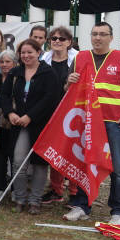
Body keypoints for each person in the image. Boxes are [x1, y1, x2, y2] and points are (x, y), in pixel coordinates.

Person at [64, 22, 120, 225]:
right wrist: (68, 81)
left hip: (114, 122)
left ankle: (119, 211)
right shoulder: (79, 57)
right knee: (84, 163)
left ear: (111, 37)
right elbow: (68, 91)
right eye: (94, 34)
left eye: (103, 34)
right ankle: (81, 205)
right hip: (86, 123)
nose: (98, 38)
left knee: (118, 168)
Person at [0, 39, 60, 215]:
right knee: (18, 161)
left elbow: (50, 99)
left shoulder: (48, 73)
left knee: (40, 164)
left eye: (30, 52)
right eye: (23, 53)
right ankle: (19, 198)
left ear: (39, 53)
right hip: (19, 125)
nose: (26, 56)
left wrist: (31, 116)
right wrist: (10, 112)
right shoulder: (15, 72)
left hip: (41, 125)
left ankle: (35, 200)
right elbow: (4, 95)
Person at [40, 26, 78, 205]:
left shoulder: (77, 60)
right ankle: (56, 190)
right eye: (53, 38)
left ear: (69, 42)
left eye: (61, 39)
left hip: (71, 113)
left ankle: (75, 192)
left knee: (71, 153)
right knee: (54, 151)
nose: (57, 41)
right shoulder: (44, 59)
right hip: (49, 111)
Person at [0, 50, 18, 199]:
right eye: (2, 62)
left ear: (14, 63)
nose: (4, 65)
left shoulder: (19, 79)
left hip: (15, 124)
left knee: (15, 158)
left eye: (8, 61)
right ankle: (0, 187)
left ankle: (15, 189)